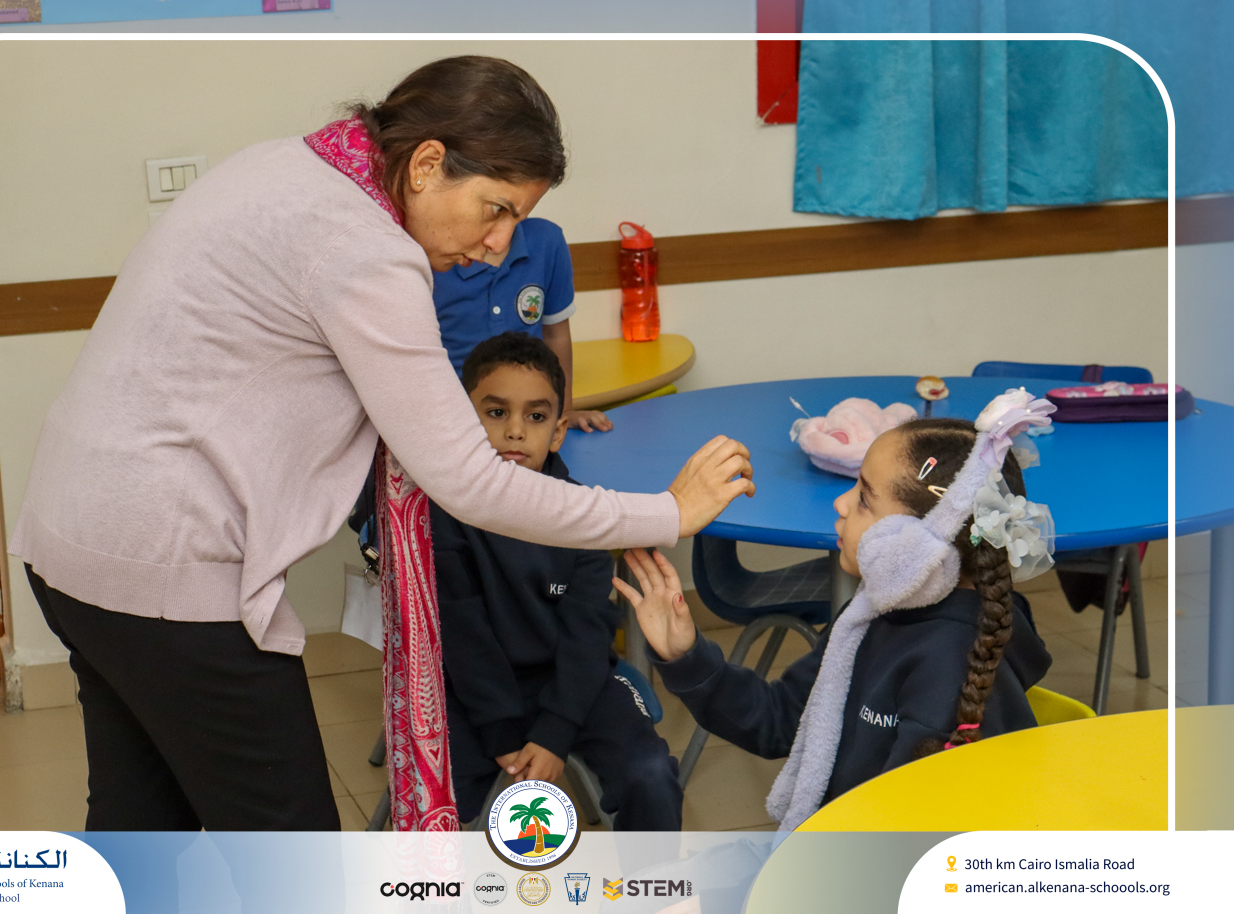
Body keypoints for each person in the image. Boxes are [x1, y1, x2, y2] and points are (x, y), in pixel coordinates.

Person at [12, 55, 753, 832]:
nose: (499, 245)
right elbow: (471, 481)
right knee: (293, 851)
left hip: (74, 536)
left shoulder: (294, 165)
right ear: (427, 163)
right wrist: (667, 512)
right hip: (160, 563)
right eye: (495, 209)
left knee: (140, 821)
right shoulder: (364, 248)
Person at [616, 398, 1056, 832]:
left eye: (864, 498)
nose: (840, 504)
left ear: (920, 543)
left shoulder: (948, 668)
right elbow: (780, 719)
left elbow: (907, 839)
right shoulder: (871, 614)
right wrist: (686, 655)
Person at [432, 332, 681, 829]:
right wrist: (503, 734)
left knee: (651, 773)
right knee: (437, 797)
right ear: (464, 420)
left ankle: (655, 880)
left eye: (536, 417)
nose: (515, 432)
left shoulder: (584, 514)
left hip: (574, 683)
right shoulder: (444, 513)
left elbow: (587, 634)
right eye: (496, 413)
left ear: (559, 431)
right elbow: (463, 635)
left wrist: (554, 733)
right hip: (470, 688)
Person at [433, 216, 612, 433]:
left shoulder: (546, 240)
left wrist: (564, 412)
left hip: (529, 421)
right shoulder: (433, 251)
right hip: (451, 424)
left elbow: (556, 335)